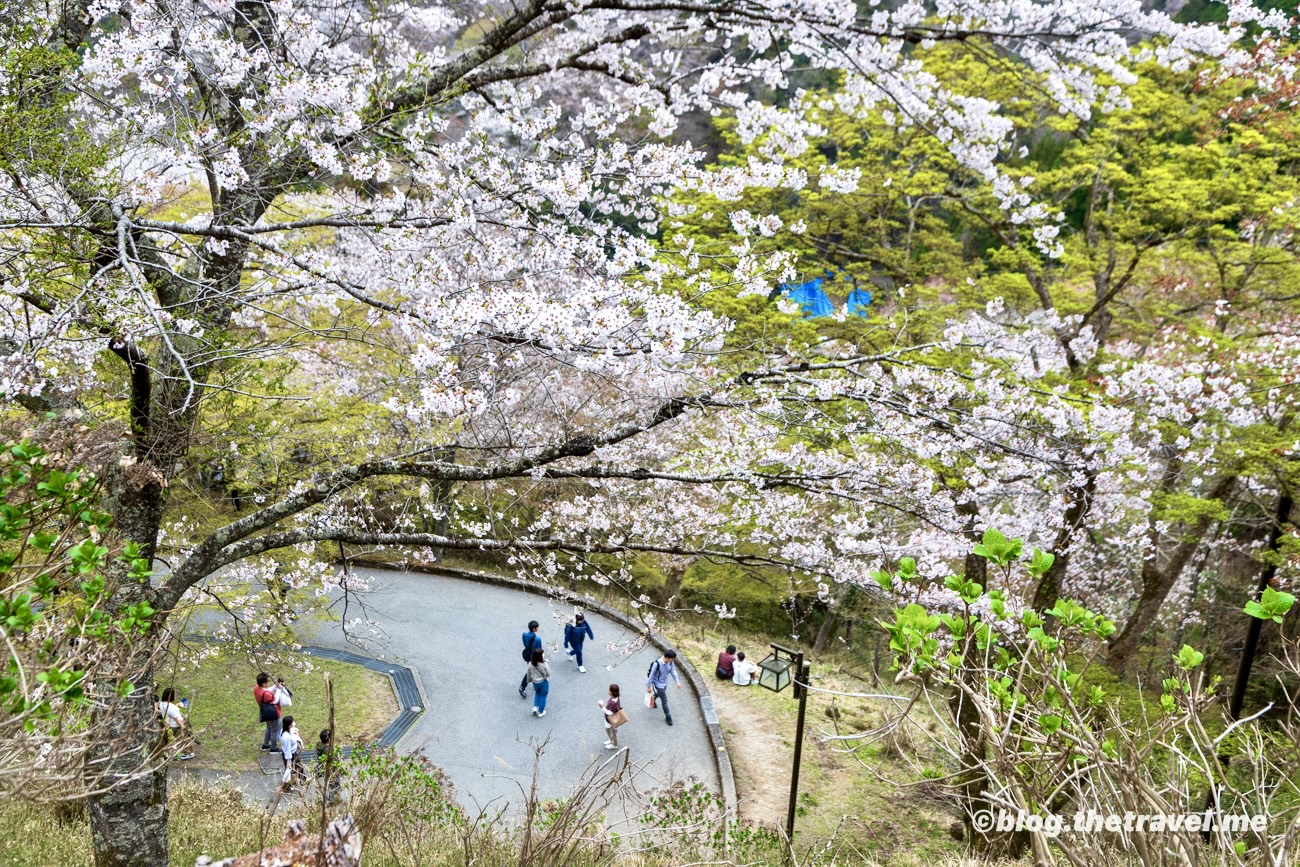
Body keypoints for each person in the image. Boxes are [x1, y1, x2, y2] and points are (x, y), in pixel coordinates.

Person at [645, 649, 682, 726]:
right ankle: (668, 716)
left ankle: (653, 698)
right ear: (667, 657)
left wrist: (677, 682)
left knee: (661, 694)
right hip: (658, 684)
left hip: (664, 683)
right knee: (664, 701)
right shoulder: (657, 664)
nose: (673, 660)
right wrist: (648, 686)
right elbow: (651, 676)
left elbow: (673, 671)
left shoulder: (670, 662)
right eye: (672, 659)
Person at [157, 688, 194, 760]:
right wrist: (183, 726)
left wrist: (176, 705)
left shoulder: (161, 704)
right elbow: (177, 719)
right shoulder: (173, 708)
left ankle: (169, 753)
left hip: (167, 724)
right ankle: (188, 753)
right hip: (175, 726)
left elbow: (169, 711)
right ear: (172, 696)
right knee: (185, 737)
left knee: (169, 740)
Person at [255, 672, 281, 751]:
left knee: (269, 728)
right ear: (263, 683)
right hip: (273, 714)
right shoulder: (266, 695)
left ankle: (265, 744)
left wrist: (275, 686)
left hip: (265, 713)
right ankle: (274, 748)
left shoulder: (256, 688)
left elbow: (266, 690)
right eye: (267, 682)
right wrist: (279, 690)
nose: (268, 683)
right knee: (275, 731)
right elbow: (275, 700)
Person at [315, 729, 341, 805]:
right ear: (329, 739)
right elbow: (332, 763)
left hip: (322, 767)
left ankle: (332, 796)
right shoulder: (328, 751)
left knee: (332, 784)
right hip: (331, 770)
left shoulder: (319, 744)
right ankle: (331, 801)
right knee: (333, 785)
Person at [519, 620, 543, 698]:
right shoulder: (537, 639)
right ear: (534, 629)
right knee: (531, 671)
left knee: (532, 670)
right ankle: (522, 686)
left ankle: (533, 684)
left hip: (528, 655)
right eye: (537, 627)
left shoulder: (524, 635)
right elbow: (539, 650)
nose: (538, 628)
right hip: (534, 657)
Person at [598, 684, 626, 749]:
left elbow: (610, 713)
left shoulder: (613, 703)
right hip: (612, 718)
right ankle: (611, 740)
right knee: (609, 730)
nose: (608, 691)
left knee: (612, 731)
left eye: (609, 690)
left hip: (611, 719)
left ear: (611, 692)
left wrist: (602, 707)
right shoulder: (616, 697)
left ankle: (614, 744)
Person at [280, 715, 306, 787]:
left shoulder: (287, 731)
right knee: (291, 770)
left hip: (294, 753)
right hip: (291, 755)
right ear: (289, 725)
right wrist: (289, 761)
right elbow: (287, 749)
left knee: (299, 766)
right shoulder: (286, 737)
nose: (294, 723)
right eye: (292, 722)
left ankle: (301, 780)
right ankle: (288, 785)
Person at [527, 649, 551, 717]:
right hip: (543, 682)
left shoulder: (530, 663)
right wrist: (546, 662)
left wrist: (529, 680)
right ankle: (541, 711)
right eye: (543, 655)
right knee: (543, 695)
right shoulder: (543, 664)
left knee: (537, 693)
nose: (544, 655)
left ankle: (535, 707)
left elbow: (528, 673)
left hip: (535, 682)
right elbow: (548, 673)